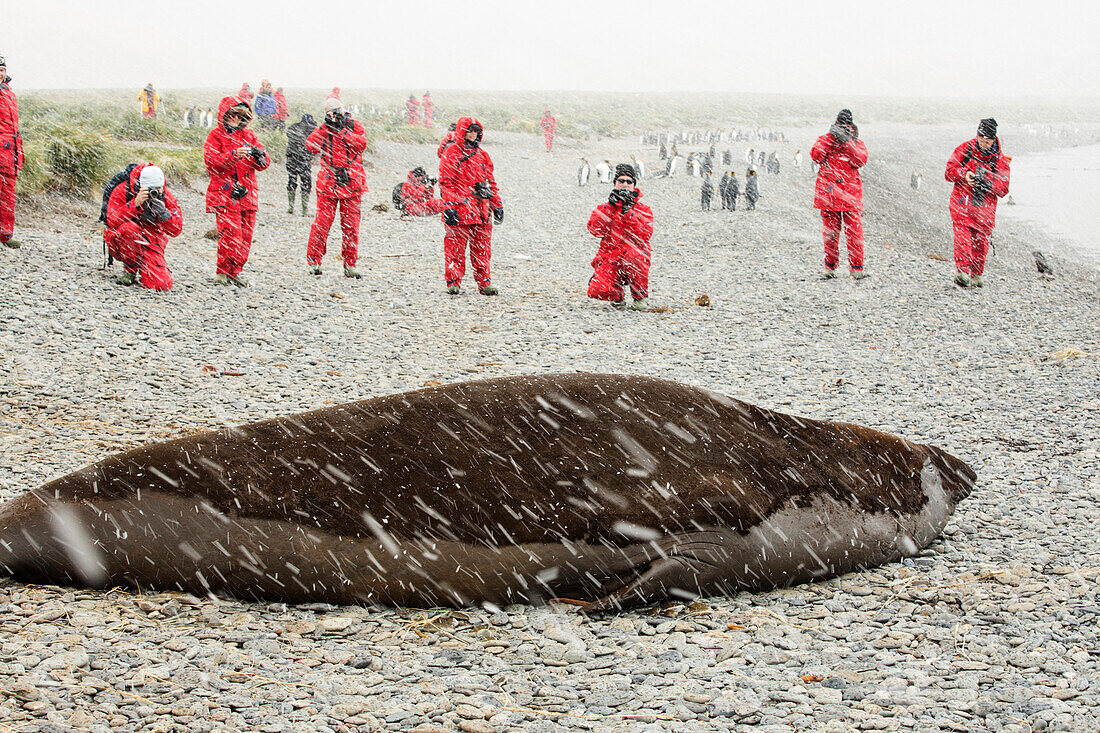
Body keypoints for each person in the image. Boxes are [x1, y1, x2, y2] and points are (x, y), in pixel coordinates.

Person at [203, 96, 270, 287]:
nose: (235, 119)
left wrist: (260, 156)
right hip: (225, 193)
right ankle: (222, 272)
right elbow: (212, 162)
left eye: (240, 116)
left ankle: (235, 272)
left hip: (247, 194)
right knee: (230, 234)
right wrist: (233, 155)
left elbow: (264, 164)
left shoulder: (249, 136)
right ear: (224, 115)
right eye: (232, 114)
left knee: (246, 236)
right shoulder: (215, 136)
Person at [438, 116, 503, 295]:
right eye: (470, 131)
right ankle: (453, 282)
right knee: (455, 247)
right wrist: (449, 206)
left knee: (482, 249)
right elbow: (446, 182)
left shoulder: (483, 155)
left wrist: (497, 205)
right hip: (460, 209)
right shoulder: (452, 152)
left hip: (482, 210)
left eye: (476, 131)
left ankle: (484, 283)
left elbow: (491, 182)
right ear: (463, 132)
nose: (473, 135)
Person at [305, 99, 368, 278]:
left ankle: (350, 264)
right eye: (330, 112)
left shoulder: (354, 126)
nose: (334, 115)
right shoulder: (324, 129)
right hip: (329, 182)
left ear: (343, 110)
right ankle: (314, 262)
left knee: (351, 227)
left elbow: (361, 145)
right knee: (321, 224)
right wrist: (325, 127)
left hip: (352, 182)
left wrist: (342, 130)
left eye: (337, 111)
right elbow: (310, 146)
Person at [945, 118, 1010, 287]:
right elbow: (949, 171)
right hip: (962, 203)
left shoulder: (1000, 160)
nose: (984, 144)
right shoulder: (965, 149)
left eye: (987, 141)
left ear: (994, 139)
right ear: (977, 135)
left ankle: (977, 275)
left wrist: (989, 185)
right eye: (981, 140)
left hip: (984, 209)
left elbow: (1003, 189)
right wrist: (964, 174)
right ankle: (962, 272)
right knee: (963, 239)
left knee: (980, 243)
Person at [586, 163, 654, 311]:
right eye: (621, 181)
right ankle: (617, 297)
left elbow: (644, 236)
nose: (625, 184)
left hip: (633, 257)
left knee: (635, 257)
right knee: (597, 288)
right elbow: (595, 230)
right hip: (610, 257)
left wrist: (628, 212)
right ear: (615, 183)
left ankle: (639, 298)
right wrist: (610, 207)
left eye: (629, 182)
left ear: (634, 185)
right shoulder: (604, 208)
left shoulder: (643, 210)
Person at [104, 164, 182, 290]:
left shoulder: (165, 196)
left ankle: (146, 266)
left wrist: (165, 215)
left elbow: (176, 230)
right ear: (141, 186)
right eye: (150, 189)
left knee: (160, 284)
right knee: (129, 229)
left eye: (158, 188)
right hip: (125, 239)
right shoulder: (123, 190)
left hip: (150, 239)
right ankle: (130, 270)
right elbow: (112, 220)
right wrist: (134, 205)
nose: (154, 192)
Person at [811, 109, 868, 279]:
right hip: (829, 195)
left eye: (846, 125)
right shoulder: (825, 139)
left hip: (849, 196)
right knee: (830, 234)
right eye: (840, 125)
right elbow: (816, 156)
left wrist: (848, 141)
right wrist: (831, 138)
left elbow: (859, 160)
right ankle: (830, 268)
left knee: (855, 233)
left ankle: (856, 269)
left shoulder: (857, 143)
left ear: (851, 126)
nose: (843, 128)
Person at [0, 55, 22, 249]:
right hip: (2, 148)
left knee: (8, 195)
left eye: (2, 70)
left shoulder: (9, 93)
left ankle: (6, 234)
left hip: (11, 151)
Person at [285, 113, 316, 216]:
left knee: (292, 181)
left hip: (291, 159)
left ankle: (291, 207)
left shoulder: (293, 128)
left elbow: (288, 134)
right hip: (304, 160)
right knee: (306, 183)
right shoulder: (312, 129)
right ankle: (304, 209)